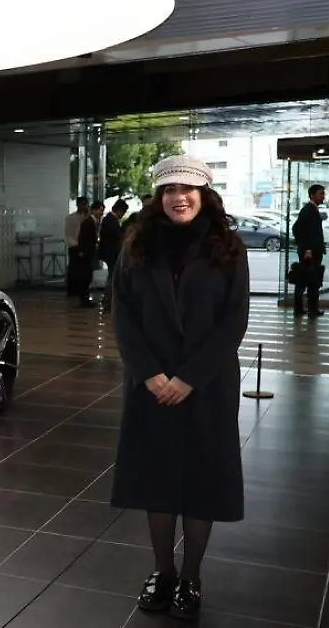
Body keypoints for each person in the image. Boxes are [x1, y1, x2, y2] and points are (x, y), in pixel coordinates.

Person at [110, 155, 249, 621]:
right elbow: (123, 315)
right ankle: (162, 570)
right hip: (150, 384)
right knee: (157, 480)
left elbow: (233, 321)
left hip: (206, 386)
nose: (179, 197)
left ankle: (191, 576)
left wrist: (189, 377)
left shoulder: (227, 247)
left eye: (187, 189)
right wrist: (148, 372)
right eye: (169, 190)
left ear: (204, 194)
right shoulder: (137, 243)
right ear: (159, 196)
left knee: (201, 482)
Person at [292, 184, 326, 318]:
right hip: (310, 252)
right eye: (320, 194)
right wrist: (307, 248)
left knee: (306, 280)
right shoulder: (309, 210)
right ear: (312, 195)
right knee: (310, 280)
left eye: (323, 194)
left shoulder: (311, 209)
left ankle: (302, 308)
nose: (323, 197)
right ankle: (310, 309)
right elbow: (298, 229)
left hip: (311, 250)